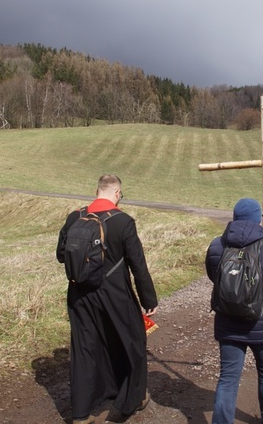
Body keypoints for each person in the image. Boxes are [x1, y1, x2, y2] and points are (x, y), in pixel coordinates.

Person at [56, 174, 158, 424]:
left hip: (79, 293)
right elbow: (138, 265)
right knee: (133, 341)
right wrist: (148, 299)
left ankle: (80, 414)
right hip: (115, 292)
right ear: (117, 193)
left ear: (97, 190)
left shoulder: (75, 216)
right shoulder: (123, 221)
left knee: (84, 348)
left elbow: (61, 255)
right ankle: (130, 402)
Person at [205, 198, 263, 424]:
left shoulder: (217, 245)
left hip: (228, 324)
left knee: (228, 377)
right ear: (259, 219)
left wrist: (233, 300)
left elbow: (215, 278)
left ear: (235, 218)